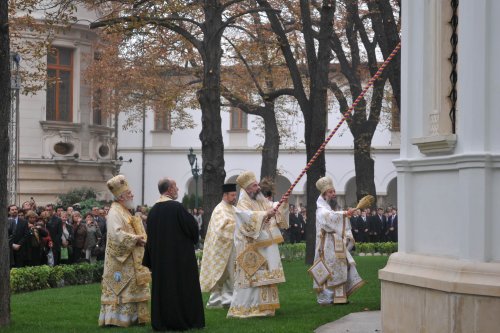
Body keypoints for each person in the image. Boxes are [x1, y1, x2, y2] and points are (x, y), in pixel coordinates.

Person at [143, 177, 204, 331]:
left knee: (164, 289)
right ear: (169, 189)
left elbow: (149, 238)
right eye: (176, 187)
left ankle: (162, 321)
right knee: (181, 289)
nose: (177, 190)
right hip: (179, 259)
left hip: (160, 261)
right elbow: (192, 229)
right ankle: (184, 320)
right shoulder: (177, 208)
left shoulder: (153, 211)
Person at [227, 171, 289, 318]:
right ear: (248, 188)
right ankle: (247, 308)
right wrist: (265, 215)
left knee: (265, 276)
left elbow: (270, 206)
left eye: (257, 185)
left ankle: (266, 308)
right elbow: (246, 217)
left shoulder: (259, 198)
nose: (258, 188)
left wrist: (283, 203)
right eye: (254, 186)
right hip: (251, 246)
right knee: (253, 278)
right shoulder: (243, 201)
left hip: (263, 244)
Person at [99, 175, 151, 327]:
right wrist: (135, 239)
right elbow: (115, 234)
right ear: (121, 197)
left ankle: (134, 318)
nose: (132, 195)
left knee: (133, 288)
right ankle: (118, 319)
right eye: (129, 193)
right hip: (119, 261)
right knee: (122, 289)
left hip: (130, 258)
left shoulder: (125, 210)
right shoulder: (115, 212)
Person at [313, 176, 365, 305]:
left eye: (334, 191)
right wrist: (346, 213)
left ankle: (340, 297)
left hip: (334, 243)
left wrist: (345, 214)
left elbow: (333, 217)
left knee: (340, 266)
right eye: (331, 192)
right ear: (324, 194)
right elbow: (329, 218)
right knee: (328, 269)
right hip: (325, 246)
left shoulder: (327, 207)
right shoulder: (320, 209)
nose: (334, 194)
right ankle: (326, 298)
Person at [199, 183, 238, 309]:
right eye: (232, 195)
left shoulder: (233, 208)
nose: (234, 197)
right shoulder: (219, 209)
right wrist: (237, 224)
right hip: (220, 248)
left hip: (231, 246)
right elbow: (221, 229)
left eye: (235, 195)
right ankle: (216, 302)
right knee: (220, 275)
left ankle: (227, 300)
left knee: (230, 274)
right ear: (225, 195)